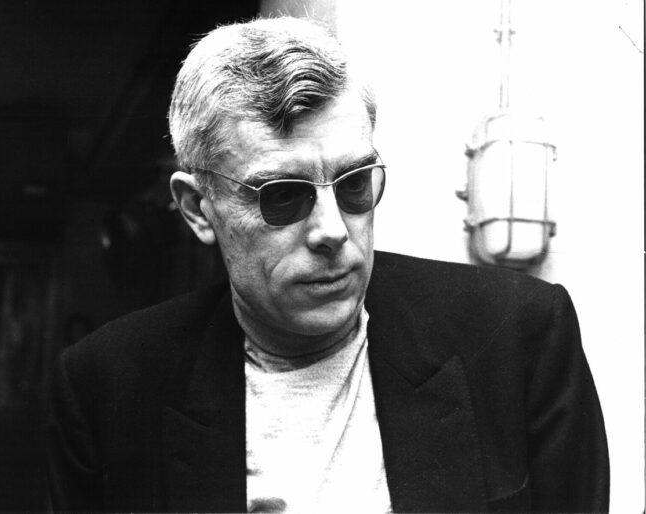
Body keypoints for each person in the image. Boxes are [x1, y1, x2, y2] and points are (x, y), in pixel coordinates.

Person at [47, 17, 609, 513]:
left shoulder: (520, 335)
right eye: (282, 196)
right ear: (198, 208)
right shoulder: (108, 388)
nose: (333, 231)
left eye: (354, 183)